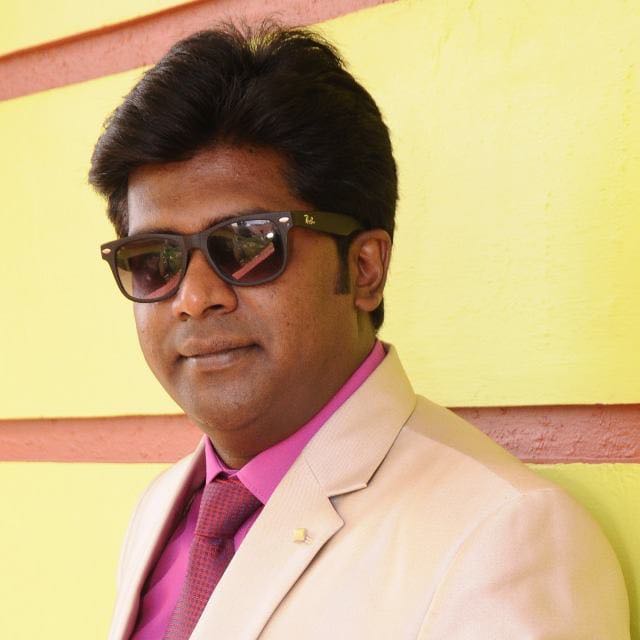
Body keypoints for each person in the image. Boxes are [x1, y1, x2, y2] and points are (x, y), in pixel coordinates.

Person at [89, 22, 629, 640]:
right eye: (155, 259)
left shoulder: (504, 541)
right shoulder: (162, 510)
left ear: (365, 268)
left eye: (246, 245)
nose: (193, 298)